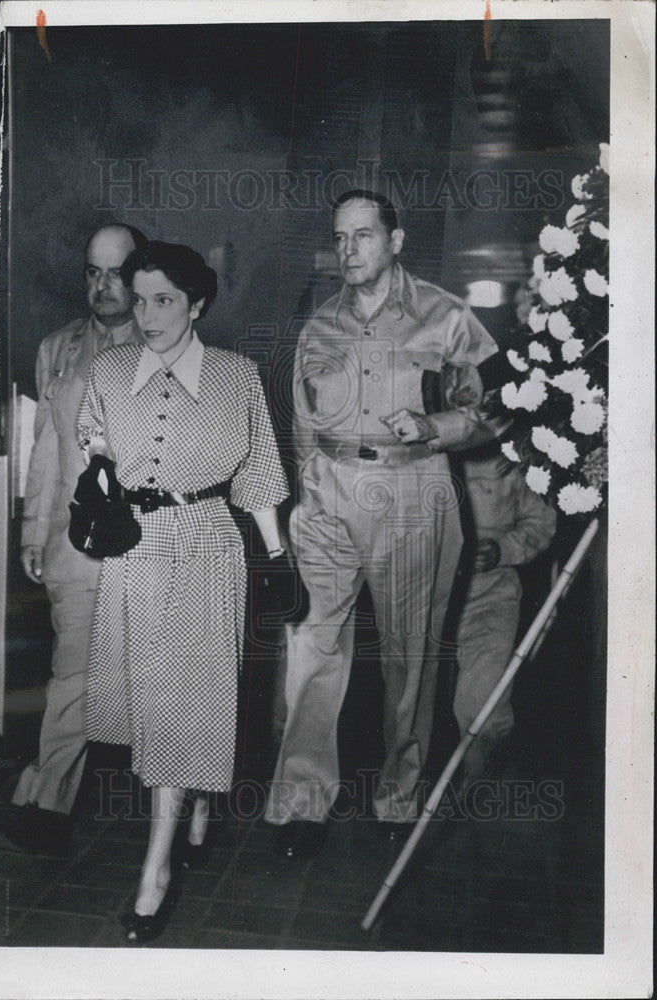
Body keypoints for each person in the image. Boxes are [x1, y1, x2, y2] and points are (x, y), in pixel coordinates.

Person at [265, 190, 501, 857]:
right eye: (340, 237)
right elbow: (303, 419)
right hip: (331, 493)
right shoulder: (321, 326)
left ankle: (398, 795)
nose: (349, 250)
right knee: (314, 647)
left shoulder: (446, 316)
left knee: (409, 653)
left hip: (412, 490)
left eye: (363, 236)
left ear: (395, 242)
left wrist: (434, 427)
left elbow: (494, 410)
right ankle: (301, 805)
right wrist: (308, 491)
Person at [76, 240, 289, 943]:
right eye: (139, 299)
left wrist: (278, 555)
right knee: (158, 708)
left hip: (206, 545)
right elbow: (96, 447)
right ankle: (195, 797)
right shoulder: (107, 371)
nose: (147, 314)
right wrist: (99, 475)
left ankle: (154, 874)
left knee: (181, 704)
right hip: (134, 552)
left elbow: (258, 473)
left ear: (197, 304)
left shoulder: (238, 376)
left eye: (164, 299)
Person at [7, 224, 147, 854]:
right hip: (76, 545)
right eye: (93, 272)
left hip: (150, 546)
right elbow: (43, 452)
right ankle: (47, 800)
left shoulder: (170, 344)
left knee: (161, 676)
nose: (102, 286)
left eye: (116, 273)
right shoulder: (58, 348)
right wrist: (34, 532)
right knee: (71, 675)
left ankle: (179, 805)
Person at [453, 448, 557, 787]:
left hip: (487, 595)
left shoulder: (515, 453)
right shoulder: (410, 439)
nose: (459, 392)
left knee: (480, 708)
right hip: (419, 594)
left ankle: (478, 782)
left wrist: (502, 548)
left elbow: (541, 522)